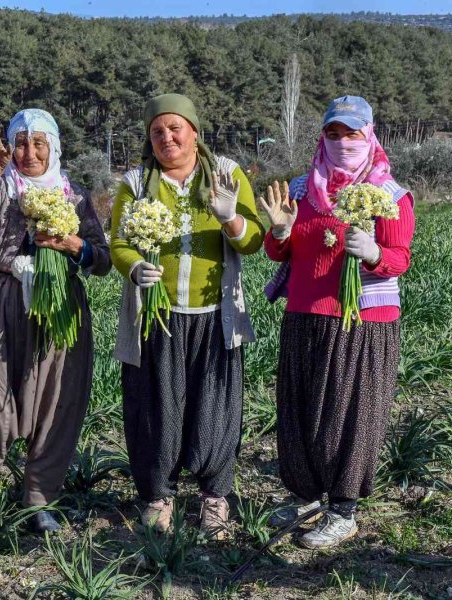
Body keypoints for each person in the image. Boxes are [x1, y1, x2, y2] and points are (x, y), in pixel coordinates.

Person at [261, 95, 415, 549]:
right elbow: (280, 253)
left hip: (364, 320)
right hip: (305, 315)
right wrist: (280, 230)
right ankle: (307, 496)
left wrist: (373, 253)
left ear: (370, 136)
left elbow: (400, 259)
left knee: (350, 416)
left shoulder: (389, 194)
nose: (343, 142)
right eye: (333, 133)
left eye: (353, 133)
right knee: (301, 410)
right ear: (322, 137)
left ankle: (343, 510)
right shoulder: (301, 189)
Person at [110, 94, 264, 538]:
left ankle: (214, 496)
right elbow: (119, 242)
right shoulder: (137, 183)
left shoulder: (226, 174)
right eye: (157, 131)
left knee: (215, 405)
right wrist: (135, 268)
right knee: (156, 406)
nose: (167, 138)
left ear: (194, 131)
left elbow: (253, 241)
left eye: (175, 128)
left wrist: (232, 220)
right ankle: (158, 495)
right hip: (158, 316)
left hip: (214, 315)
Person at [0, 109, 111, 532]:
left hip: (58, 303)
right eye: (21, 144)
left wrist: (74, 245)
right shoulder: (3, 187)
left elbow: (101, 260)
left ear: (54, 148)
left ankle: (40, 499)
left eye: (39, 143)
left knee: (55, 397)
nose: (29, 153)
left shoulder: (73, 195)